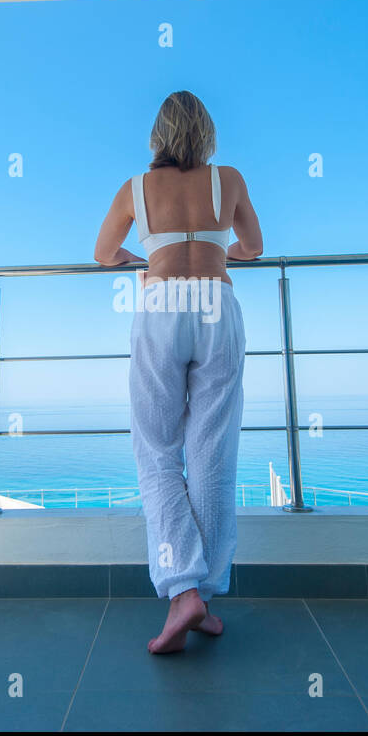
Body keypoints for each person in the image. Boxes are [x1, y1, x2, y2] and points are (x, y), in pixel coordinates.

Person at [94, 90, 264, 654]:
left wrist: (147, 258)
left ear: (158, 134)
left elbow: (103, 253)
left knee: (157, 451)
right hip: (217, 303)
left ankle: (181, 590)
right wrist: (215, 253)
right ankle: (206, 597)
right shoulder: (229, 179)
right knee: (213, 455)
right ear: (207, 132)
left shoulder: (135, 189)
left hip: (162, 305)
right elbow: (254, 247)